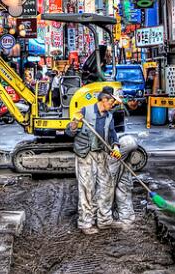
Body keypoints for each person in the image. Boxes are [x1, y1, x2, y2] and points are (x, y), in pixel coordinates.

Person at [66, 86, 122, 235]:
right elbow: (69, 131)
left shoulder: (109, 116)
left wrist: (115, 146)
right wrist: (74, 123)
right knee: (87, 188)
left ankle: (104, 220)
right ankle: (86, 223)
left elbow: (112, 133)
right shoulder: (85, 111)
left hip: (101, 154)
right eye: (113, 102)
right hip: (85, 154)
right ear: (104, 99)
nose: (114, 104)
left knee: (106, 186)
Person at [109, 135, 139, 230]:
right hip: (130, 141)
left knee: (111, 183)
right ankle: (127, 220)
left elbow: (111, 173)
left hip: (123, 145)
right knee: (123, 185)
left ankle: (124, 220)